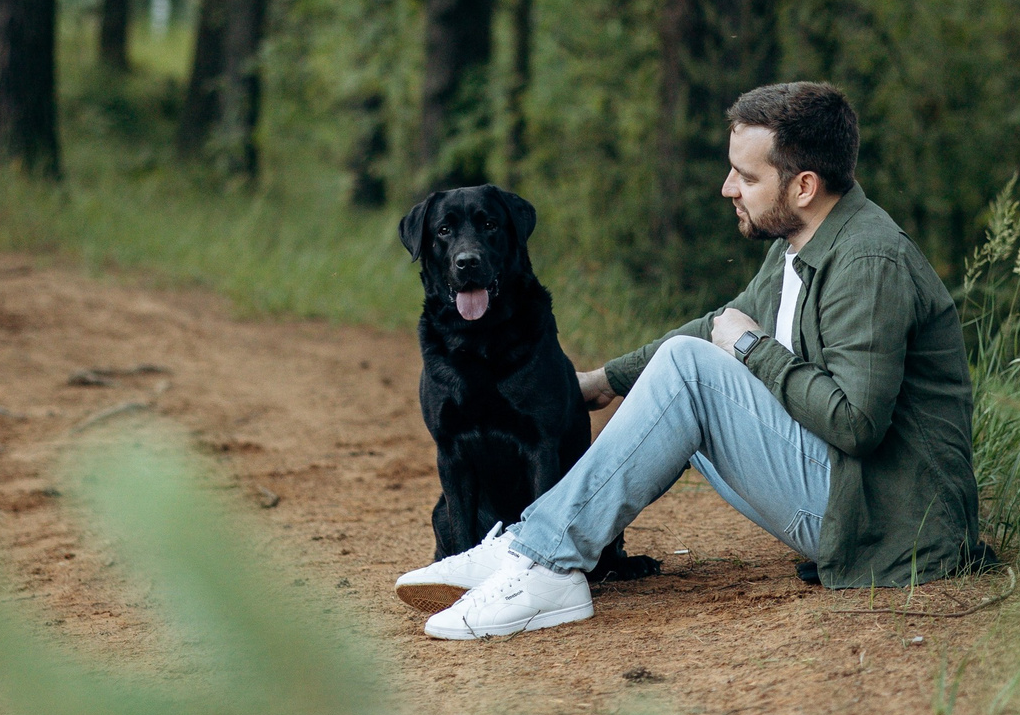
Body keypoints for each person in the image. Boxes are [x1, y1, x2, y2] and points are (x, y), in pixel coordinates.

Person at [397, 81, 982, 640]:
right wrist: (605, 380)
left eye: (746, 176)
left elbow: (856, 423)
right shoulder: (801, 245)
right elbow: (715, 327)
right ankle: (537, 544)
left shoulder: (868, 261)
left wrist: (752, 349)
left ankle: (543, 559)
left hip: (890, 526)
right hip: (849, 498)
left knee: (689, 366)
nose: (728, 189)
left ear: (803, 186)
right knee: (689, 358)